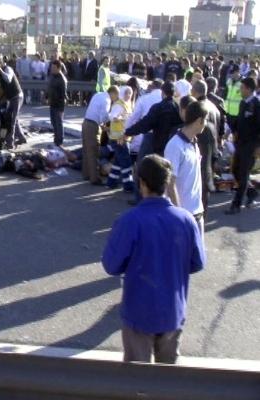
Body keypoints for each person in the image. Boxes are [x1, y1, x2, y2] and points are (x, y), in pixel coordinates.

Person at [102, 154, 205, 364]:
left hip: (139, 312)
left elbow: (111, 265)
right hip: (172, 312)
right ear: (167, 183)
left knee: (137, 381)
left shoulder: (129, 221)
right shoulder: (186, 219)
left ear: (142, 183)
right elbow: (197, 262)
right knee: (166, 382)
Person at [165, 101, 208, 235]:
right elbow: (170, 183)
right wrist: (179, 214)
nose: (206, 124)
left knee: (199, 255)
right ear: (199, 120)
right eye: (205, 120)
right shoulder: (175, 146)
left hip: (197, 212)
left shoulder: (194, 143)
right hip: (183, 216)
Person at [125, 79, 164, 204]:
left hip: (147, 136)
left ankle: (139, 198)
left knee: (142, 167)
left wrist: (126, 131)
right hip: (163, 137)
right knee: (159, 168)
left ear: (151, 86)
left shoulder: (144, 99)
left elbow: (134, 118)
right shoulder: (170, 100)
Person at [225, 77, 260, 214]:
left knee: (244, 173)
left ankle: (236, 205)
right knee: (235, 170)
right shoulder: (243, 103)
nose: (240, 90)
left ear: (249, 89)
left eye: (242, 88)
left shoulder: (257, 105)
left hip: (251, 144)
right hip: (240, 142)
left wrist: (258, 147)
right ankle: (251, 192)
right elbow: (239, 121)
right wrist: (231, 131)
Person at [125, 81, 182, 156]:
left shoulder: (158, 107)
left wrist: (128, 132)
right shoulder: (178, 108)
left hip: (158, 146)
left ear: (162, 92)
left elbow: (144, 124)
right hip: (172, 147)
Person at [191, 80, 220, 218]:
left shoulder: (197, 108)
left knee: (199, 185)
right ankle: (203, 214)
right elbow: (219, 129)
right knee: (206, 186)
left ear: (194, 92)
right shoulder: (214, 106)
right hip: (212, 149)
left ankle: (198, 216)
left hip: (201, 149)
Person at [82, 86, 119, 185]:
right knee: (94, 152)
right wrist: (113, 118)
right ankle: (95, 178)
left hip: (85, 123)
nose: (116, 99)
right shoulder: (107, 100)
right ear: (113, 93)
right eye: (117, 96)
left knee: (86, 151)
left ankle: (86, 174)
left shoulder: (98, 95)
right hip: (93, 126)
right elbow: (103, 117)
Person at [0, 58, 26, 149]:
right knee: (11, 118)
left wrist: (0, 69)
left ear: (3, 63)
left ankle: (10, 143)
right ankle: (22, 137)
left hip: (17, 96)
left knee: (12, 120)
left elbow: (8, 79)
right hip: (11, 98)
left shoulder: (8, 69)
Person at [107, 86, 134, 192]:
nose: (129, 95)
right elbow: (112, 116)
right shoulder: (119, 105)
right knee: (126, 161)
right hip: (119, 138)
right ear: (122, 94)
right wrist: (118, 118)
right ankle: (128, 185)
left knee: (119, 161)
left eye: (130, 93)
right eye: (126, 93)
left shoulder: (127, 105)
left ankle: (111, 182)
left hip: (123, 137)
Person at [48, 60, 67, 147]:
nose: (52, 69)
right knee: (54, 123)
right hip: (52, 103)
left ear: (59, 68)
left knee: (59, 124)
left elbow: (63, 96)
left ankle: (60, 142)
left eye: (54, 68)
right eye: (51, 67)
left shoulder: (62, 80)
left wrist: (61, 109)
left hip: (58, 105)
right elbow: (50, 87)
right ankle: (56, 140)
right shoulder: (52, 76)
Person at [224, 65, 242, 134]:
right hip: (228, 111)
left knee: (235, 133)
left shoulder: (243, 82)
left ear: (238, 72)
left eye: (233, 72)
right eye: (230, 73)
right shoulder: (229, 81)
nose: (231, 74)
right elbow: (225, 95)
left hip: (238, 113)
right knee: (227, 132)